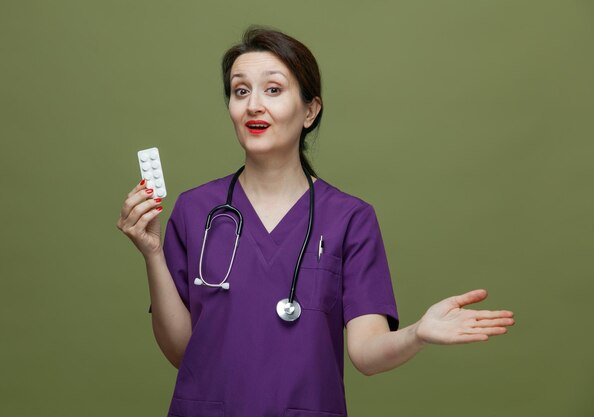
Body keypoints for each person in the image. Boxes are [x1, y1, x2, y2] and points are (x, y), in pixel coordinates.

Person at [117, 27, 515, 417]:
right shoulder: (194, 210)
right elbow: (184, 352)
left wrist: (418, 333)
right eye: (241, 91)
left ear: (310, 110)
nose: (254, 105)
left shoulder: (349, 219)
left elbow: (366, 354)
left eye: (273, 90)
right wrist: (152, 254)